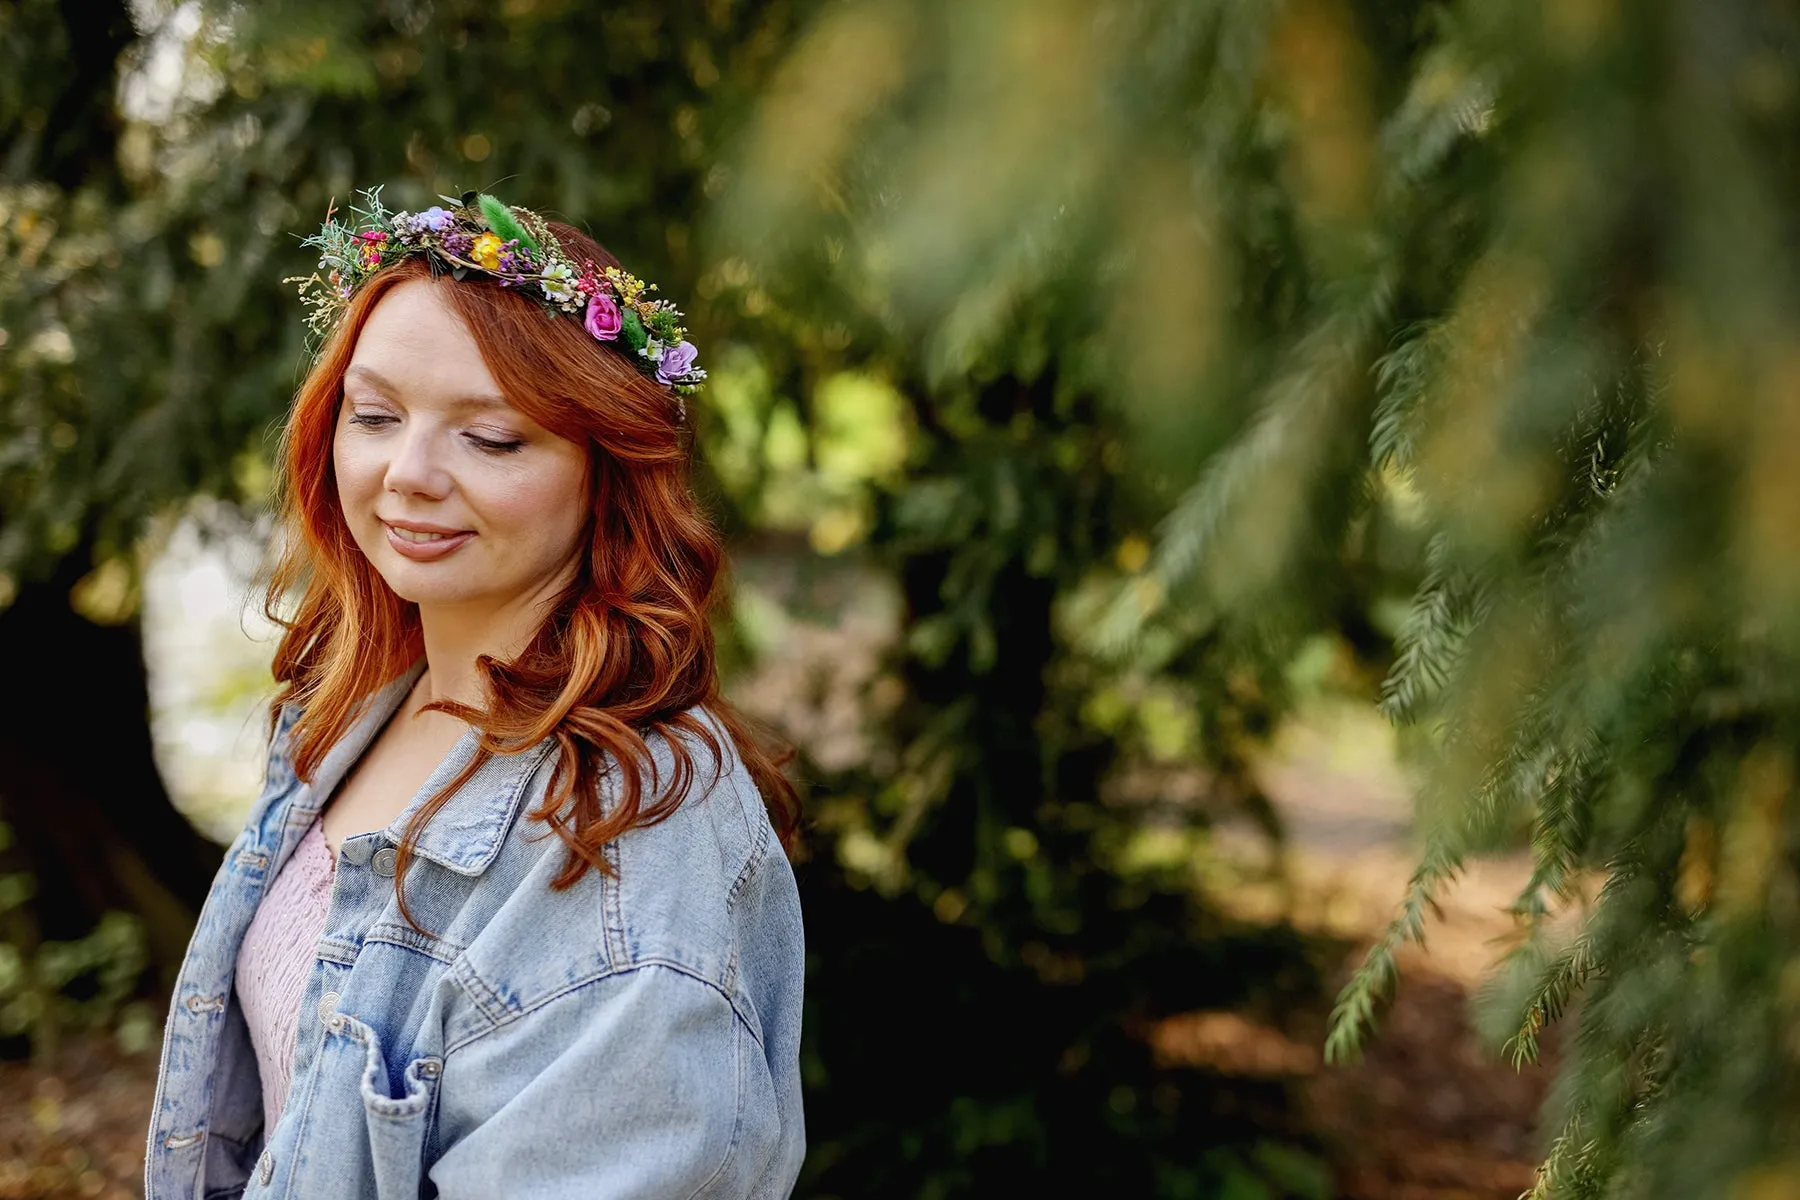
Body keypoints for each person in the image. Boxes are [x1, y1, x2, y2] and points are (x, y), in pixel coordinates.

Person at [143, 189, 806, 1199]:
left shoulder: (627, 825)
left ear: (606, 470)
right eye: (375, 416)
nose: (407, 474)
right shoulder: (350, 712)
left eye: (491, 439)